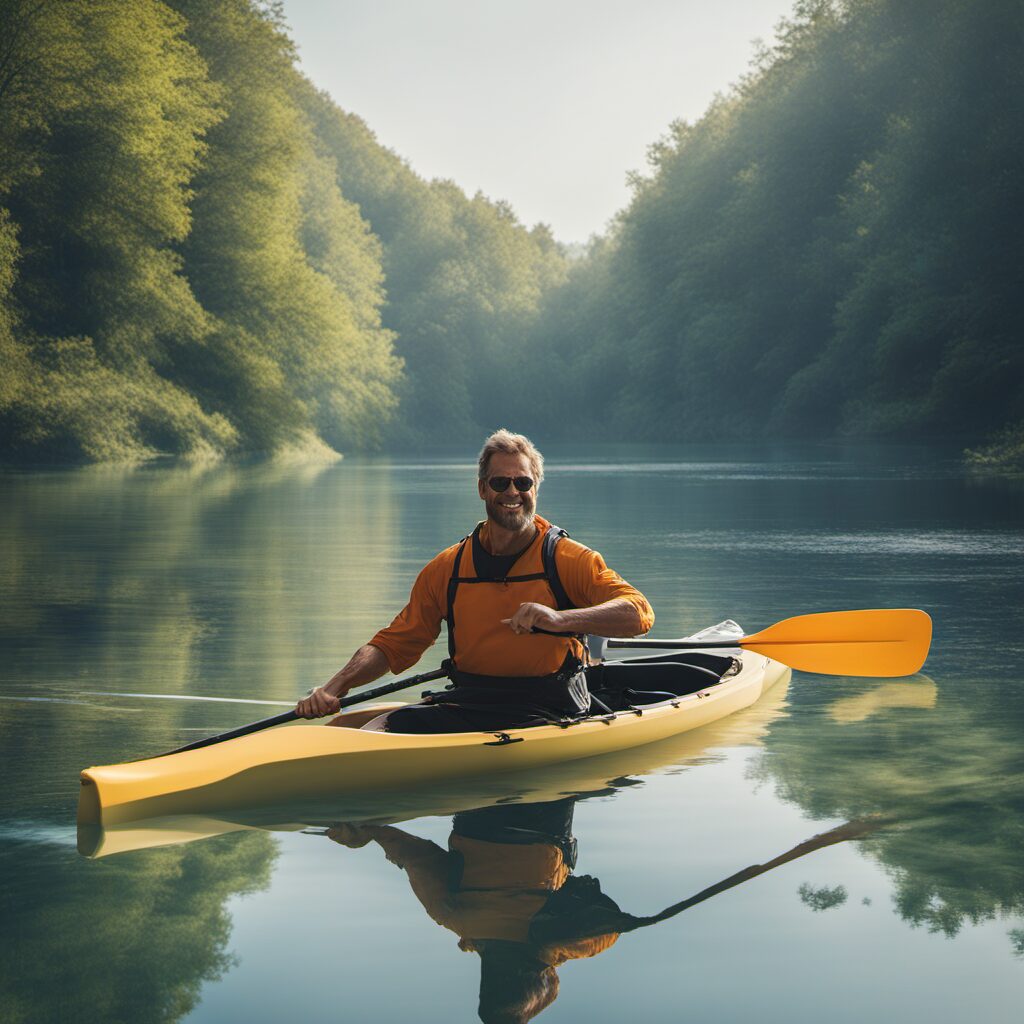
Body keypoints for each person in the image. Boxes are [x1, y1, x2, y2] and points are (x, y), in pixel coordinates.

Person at [295, 429, 654, 733]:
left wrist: (559, 619)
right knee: (367, 731)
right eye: (500, 482)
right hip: (470, 702)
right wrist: (333, 687)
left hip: (551, 707)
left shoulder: (568, 560)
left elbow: (639, 613)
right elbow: (393, 645)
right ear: (482, 488)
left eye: (523, 482)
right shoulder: (447, 568)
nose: (512, 492)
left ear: (535, 488)